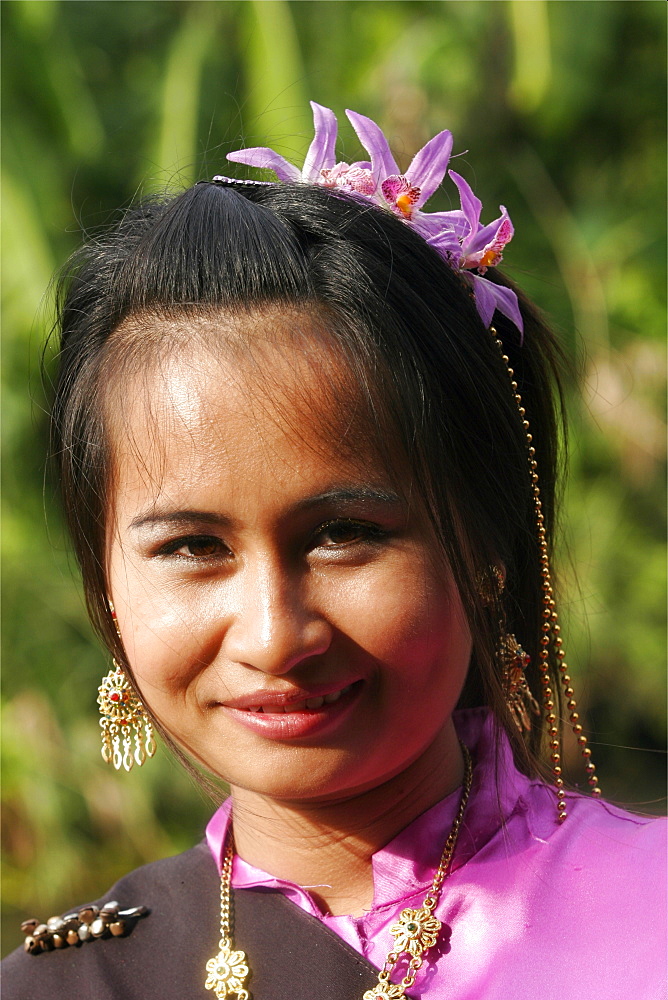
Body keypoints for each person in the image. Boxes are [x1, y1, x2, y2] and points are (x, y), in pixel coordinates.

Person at [3, 104, 665, 1000]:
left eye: (344, 535)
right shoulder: (69, 984)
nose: (275, 637)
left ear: (483, 546)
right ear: (108, 582)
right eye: (194, 546)